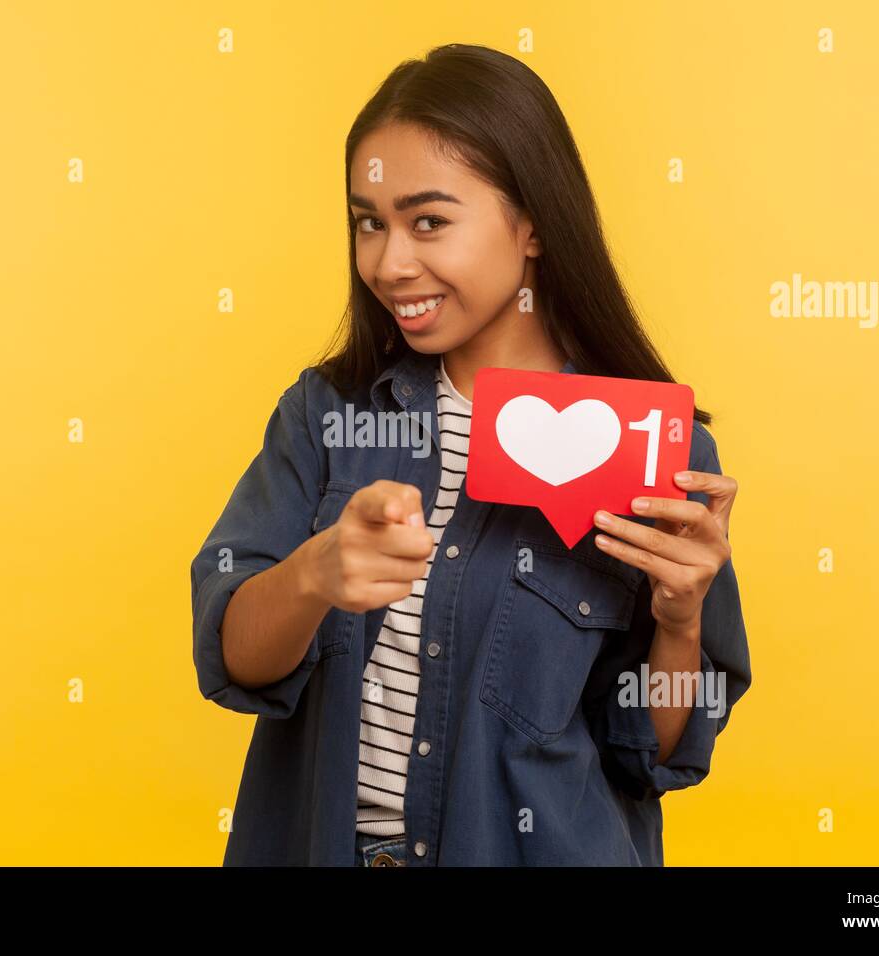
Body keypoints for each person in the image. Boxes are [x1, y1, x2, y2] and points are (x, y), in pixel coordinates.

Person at [190, 43, 751, 866]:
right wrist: (315, 573)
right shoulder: (328, 415)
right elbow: (235, 658)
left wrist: (679, 620)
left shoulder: (647, 448)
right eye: (368, 223)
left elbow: (654, 755)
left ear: (531, 225)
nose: (390, 263)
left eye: (429, 222)